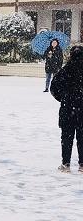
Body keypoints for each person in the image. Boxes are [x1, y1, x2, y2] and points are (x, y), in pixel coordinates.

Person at [50, 45, 83, 173]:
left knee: (67, 137)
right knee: (82, 137)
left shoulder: (65, 71)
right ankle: (82, 164)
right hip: (82, 108)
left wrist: (63, 98)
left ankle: (66, 163)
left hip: (68, 108)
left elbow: (54, 88)